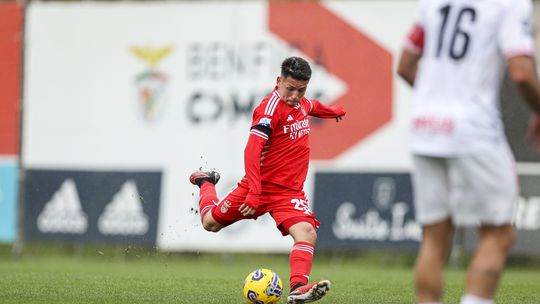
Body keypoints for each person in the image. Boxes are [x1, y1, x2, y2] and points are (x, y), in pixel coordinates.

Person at [397, 0, 540, 303]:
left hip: (425, 127)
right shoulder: (509, 3)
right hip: (474, 129)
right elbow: (522, 73)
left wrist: (436, 100)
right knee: (498, 234)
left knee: (435, 237)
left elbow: (405, 65)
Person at [189, 56, 346, 303]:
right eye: (290, 88)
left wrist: (332, 111)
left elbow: (311, 105)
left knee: (307, 233)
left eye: (300, 90)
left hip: (289, 193)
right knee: (210, 223)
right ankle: (206, 181)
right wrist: (253, 191)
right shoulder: (269, 109)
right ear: (278, 81)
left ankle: (297, 289)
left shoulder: (300, 102)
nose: (294, 95)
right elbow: (251, 149)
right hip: (258, 187)